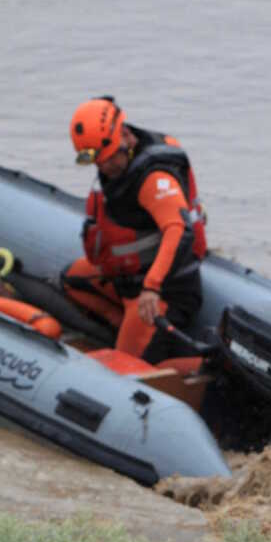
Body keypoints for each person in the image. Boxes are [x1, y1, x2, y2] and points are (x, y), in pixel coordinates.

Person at [62, 96, 207, 364]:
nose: (104, 167)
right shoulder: (116, 165)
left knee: (124, 368)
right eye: (98, 162)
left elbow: (178, 230)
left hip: (165, 292)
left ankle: (171, 360)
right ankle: (126, 330)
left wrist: (152, 288)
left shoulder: (153, 178)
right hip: (126, 281)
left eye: (107, 159)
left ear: (125, 136)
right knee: (72, 280)